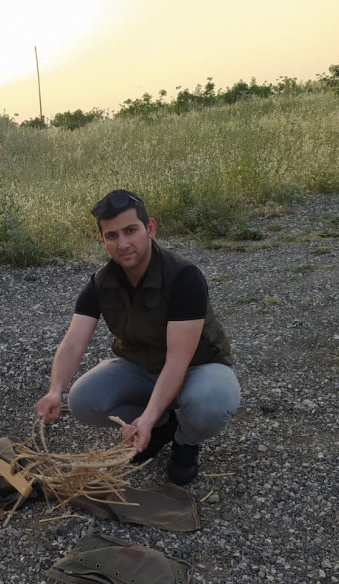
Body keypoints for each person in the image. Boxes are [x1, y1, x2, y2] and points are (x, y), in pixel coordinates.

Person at [34, 189, 240, 485]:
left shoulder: (184, 277)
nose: (123, 244)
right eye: (112, 236)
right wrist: (55, 390)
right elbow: (74, 342)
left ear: (150, 228)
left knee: (211, 401)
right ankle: (162, 427)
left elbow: (178, 360)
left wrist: (150, 412)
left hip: (197, 367)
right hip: (142, 367)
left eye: (131, 230)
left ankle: (185, 440)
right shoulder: (100, 283)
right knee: (82, 400)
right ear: (102, 241)